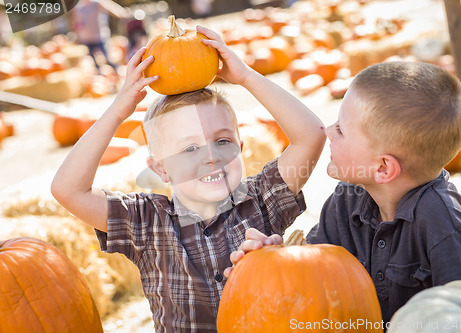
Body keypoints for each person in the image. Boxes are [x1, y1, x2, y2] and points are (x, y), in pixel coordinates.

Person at [51, 25, 326, 332]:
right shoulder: (146, 222)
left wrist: (247, 77)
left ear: (241, 148)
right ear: (161, 169)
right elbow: (68, 190)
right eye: (190, 148)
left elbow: (311, 137)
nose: (210, 157)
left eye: (222, 141)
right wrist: (117, 111)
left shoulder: (261, 199)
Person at [227, 61, 461, 326]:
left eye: (341, 130)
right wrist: (277, 261)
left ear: (382, 167)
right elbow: (314, 276)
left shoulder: (445, 229)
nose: (329, 131)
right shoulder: (346, 200)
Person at [71, 0, 128, 70]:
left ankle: (116, 70)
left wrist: (122, 13)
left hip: (99, 37)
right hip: (86, 38)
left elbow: (111, 8)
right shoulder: (78, 7)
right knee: (93, 61)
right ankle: (101, 74)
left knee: (107, 57)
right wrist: (78, 34)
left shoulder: (97, 3)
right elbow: (77, 22)